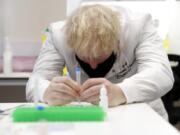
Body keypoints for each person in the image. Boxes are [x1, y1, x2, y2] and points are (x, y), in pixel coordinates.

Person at [26, 4, 174, 120]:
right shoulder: (58, 35)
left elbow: (161, 74)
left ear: (116, 41)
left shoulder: (138, 26)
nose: (93, 66)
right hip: (86, 116)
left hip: (142, 116)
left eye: (99, 57)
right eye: (84, 58)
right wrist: (46, 91)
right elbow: (36, 81)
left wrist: (121, 92)